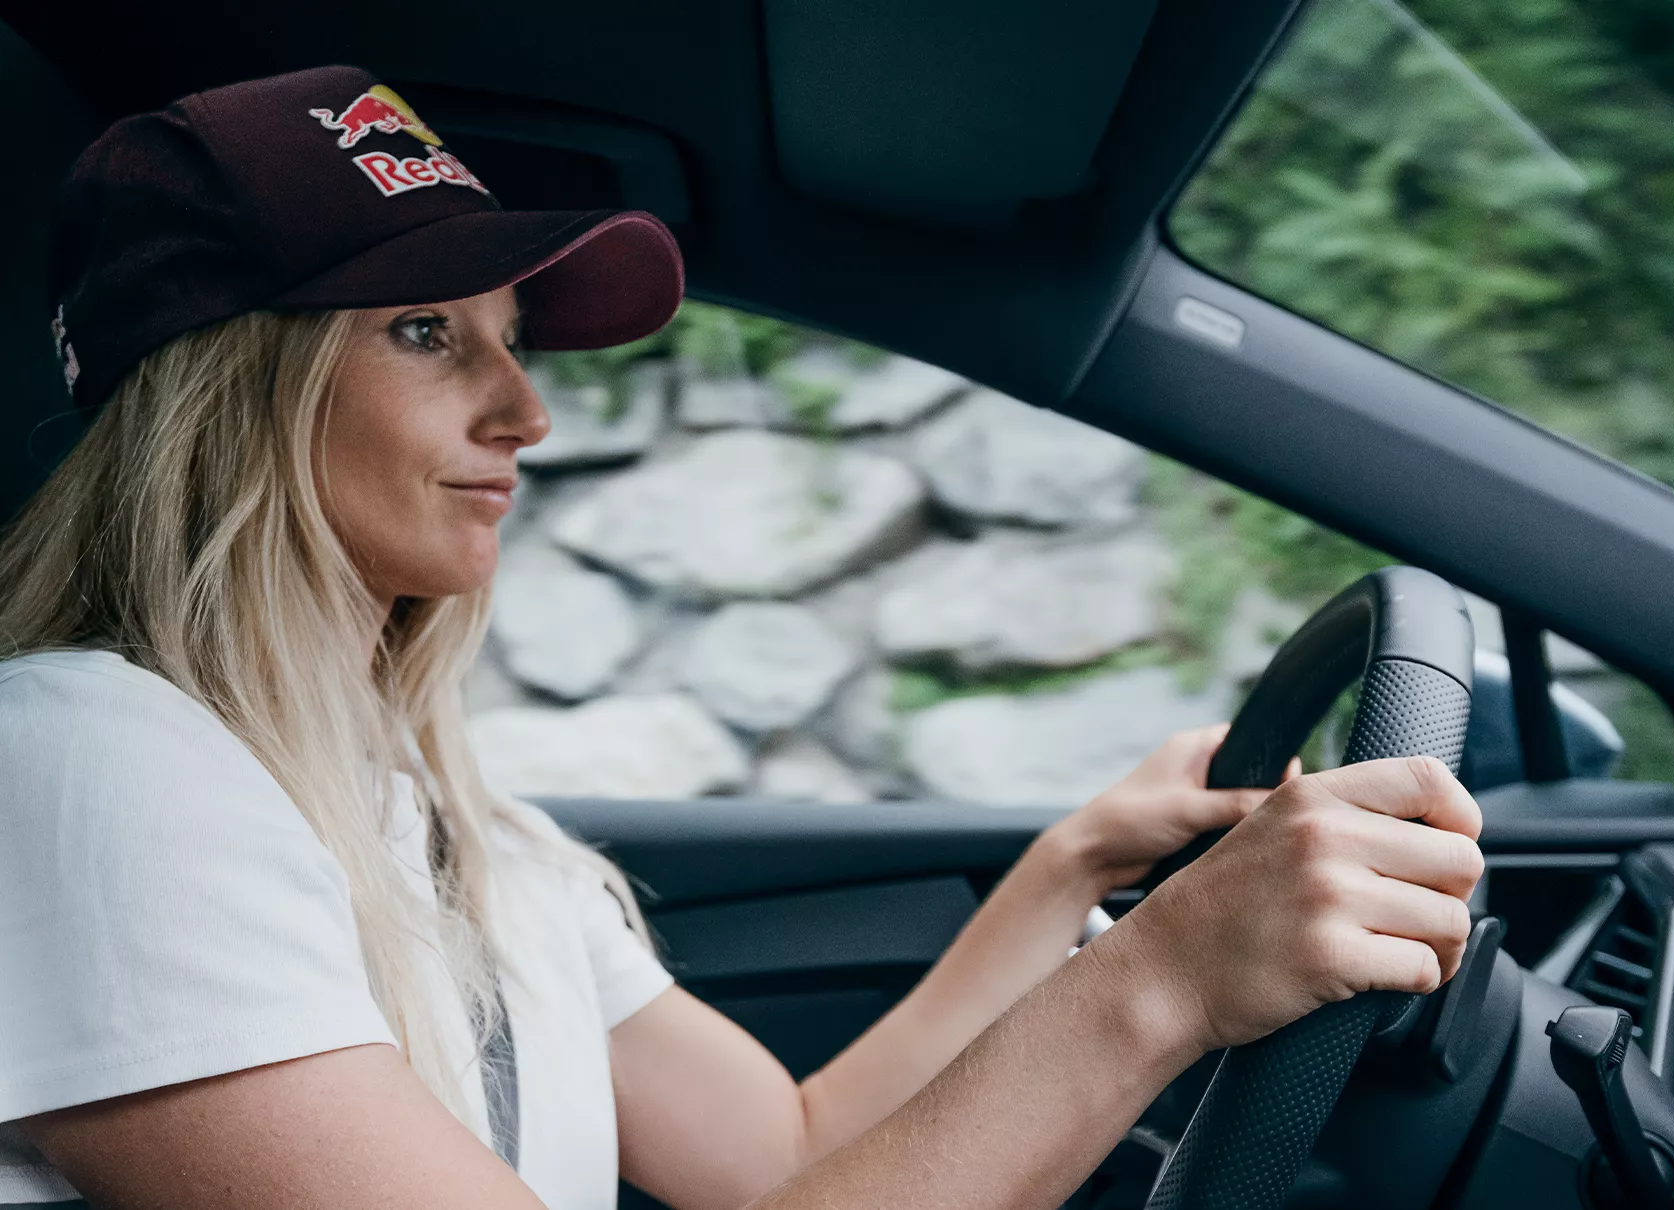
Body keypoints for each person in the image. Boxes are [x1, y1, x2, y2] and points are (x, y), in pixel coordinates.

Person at [0, 67, 1483, 1210]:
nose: (527, 412)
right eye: (425, 332)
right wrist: (1160, 981)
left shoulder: (456, 826)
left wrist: (1076, 866)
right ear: (230, 390)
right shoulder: (89, 763)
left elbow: (787, 1152)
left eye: (512, 336)